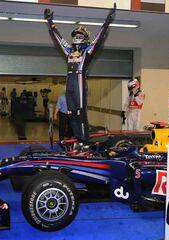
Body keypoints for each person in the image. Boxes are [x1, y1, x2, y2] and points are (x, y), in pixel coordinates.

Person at [44, 4, 116, 142]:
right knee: (71, 113)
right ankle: (77, 137)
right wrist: (50, 22)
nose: (77, 36)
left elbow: (98, 39)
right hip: (69, 84)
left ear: (85, 38)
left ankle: (85, 140)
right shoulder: (69, 51)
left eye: (80, 35)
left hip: (79, 84)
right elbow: (59, 40)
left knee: (80, 113)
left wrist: (107, 22)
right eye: (75, 35)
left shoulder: (86, 52)